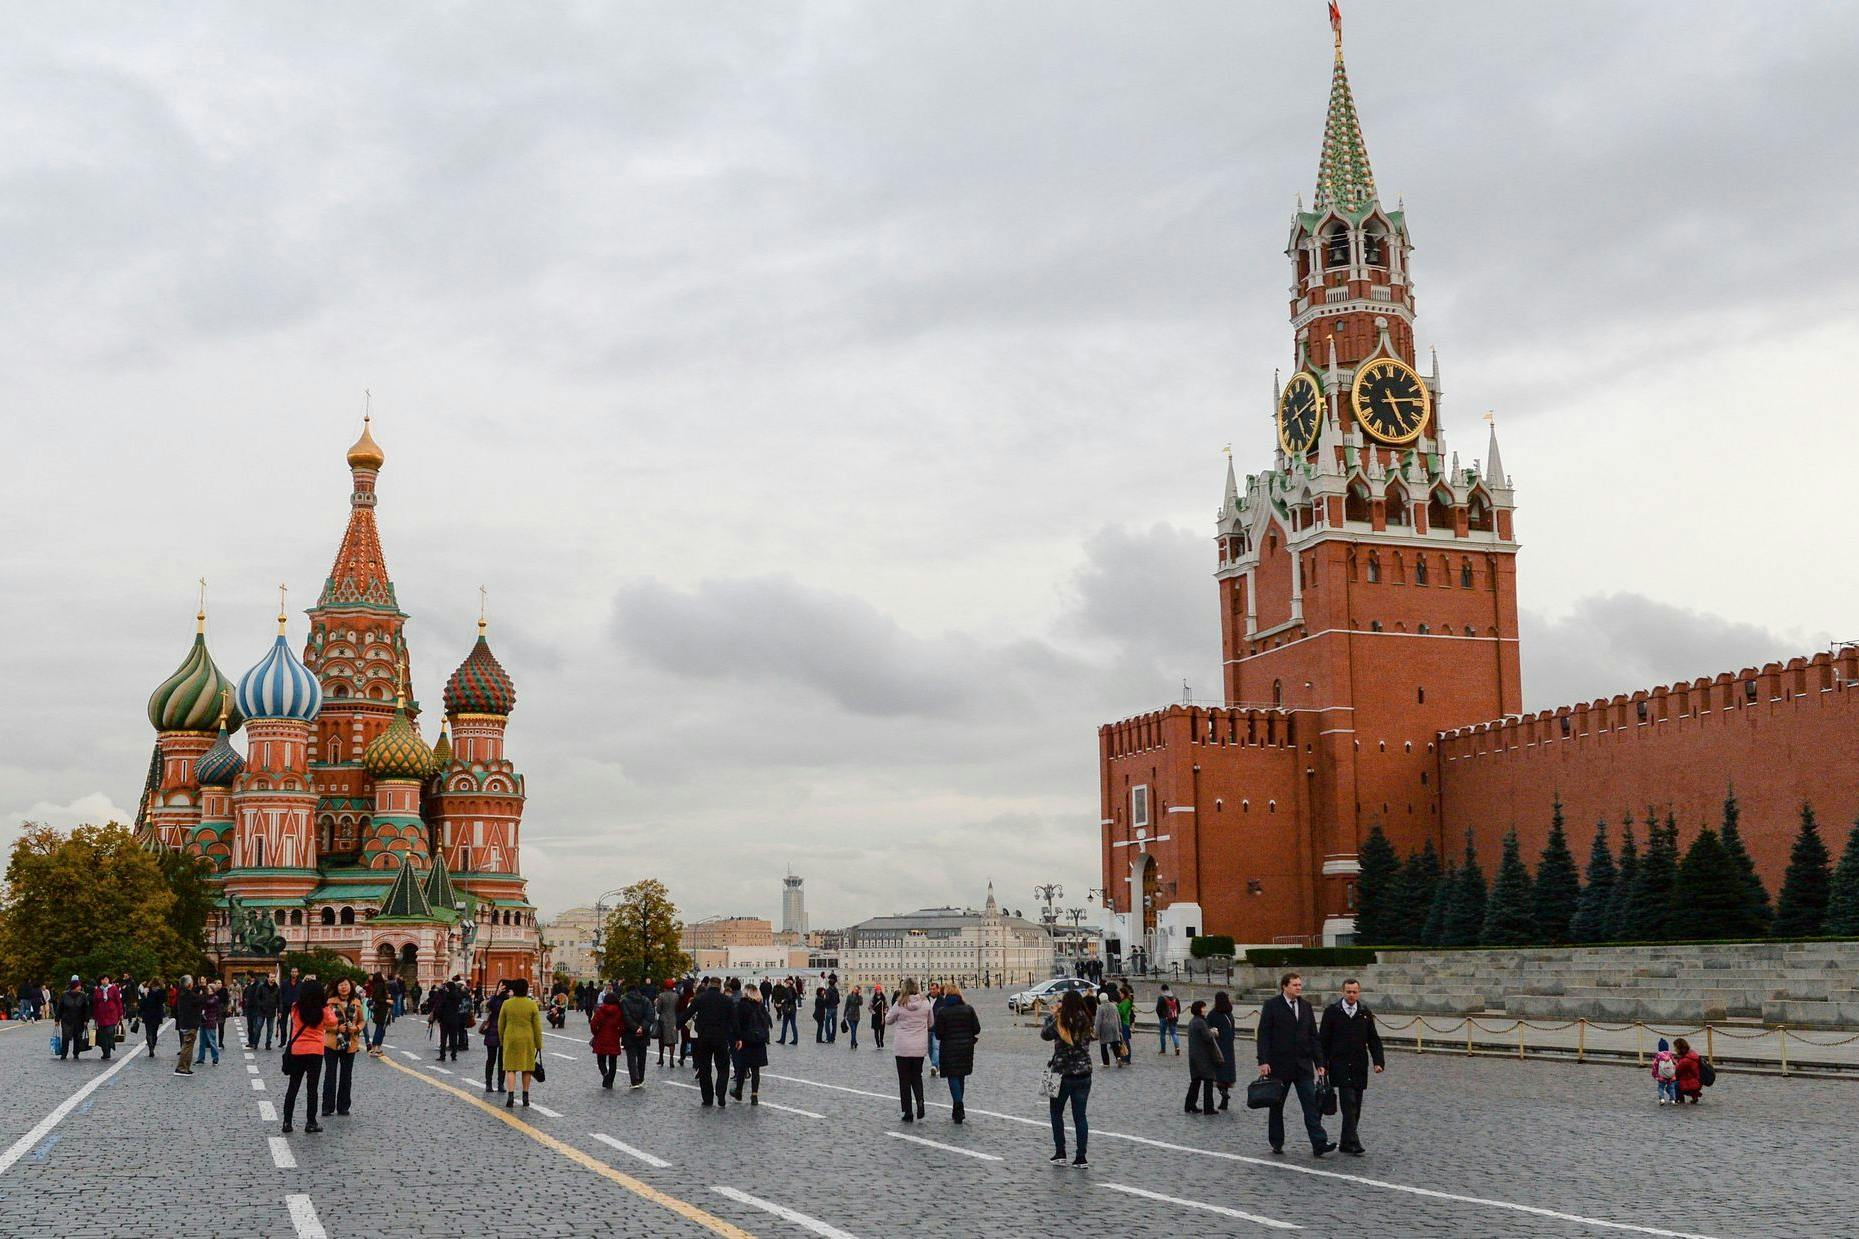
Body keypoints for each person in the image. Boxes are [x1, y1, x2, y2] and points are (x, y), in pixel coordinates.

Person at [1256, 971, 1333, 1157]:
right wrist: (1263, 1061)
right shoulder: (1272, 1005)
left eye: (1300, 984)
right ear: (1285, 986)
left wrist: (1319, 1062)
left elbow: (1313, 1036)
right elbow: (1264, 1034)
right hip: (1279, 1065)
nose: (1299, 987)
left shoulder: (1305, 1006)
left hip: (1303, 1065)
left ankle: (1319, 1142)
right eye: (1295, 985)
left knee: (1311, 1105)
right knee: (1277, 1106)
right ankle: (1276, 1141)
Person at [1317, 979, 1384, 1156]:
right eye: (1348, 992)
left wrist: (1378, 1062)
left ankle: (1346, 1141)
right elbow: (1323, 1040)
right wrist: (1322, 1064)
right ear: (1342, 992)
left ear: (1359, 993)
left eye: (1354, 992)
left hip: (1359, 1065)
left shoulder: (1364, 1013)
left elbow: (1373, 1039)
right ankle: (1354, 1142)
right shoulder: (1332, 1012)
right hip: (1339, 1065)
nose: (1351, 995)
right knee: (1349, 1104)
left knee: (1357, 1106)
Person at [1041, 989, 1094, 1168]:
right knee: (1080, 1116)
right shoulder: (1086, 1019)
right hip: (1084, 1072)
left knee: (1056, 1113)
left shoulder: (1060, 1020)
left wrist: (1052, 1015)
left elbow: (1045, 1034)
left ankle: (1060, 1152)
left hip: (1060, 1072)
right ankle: (1081, 1157)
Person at [281, 980, 333, 1134]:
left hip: (298, 1051)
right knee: (312, 1089)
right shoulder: (322, 1010)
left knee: (293, 1087)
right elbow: (333, 1021)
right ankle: (311, 1122)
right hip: (315, 1052)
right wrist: (326, 1006)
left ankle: (287, 1122)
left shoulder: (296, 1008)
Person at [683, 977, 737, 1107]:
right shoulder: (727, 1000)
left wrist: (678, 1024)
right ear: (720, 987)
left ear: (709, 986)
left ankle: (707, 1098)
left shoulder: (700, 998)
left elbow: (688, 1013)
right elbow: (734, 1021)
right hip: (721, 1038)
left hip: (704, 1038)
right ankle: (720, 1093)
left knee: (705, 1068)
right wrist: (738, 1037)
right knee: (723, 1067)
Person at [932, 982, 980, 1123]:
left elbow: (939, 1034)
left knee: (953, 1077)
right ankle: (957, 1107)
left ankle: (958, 1106)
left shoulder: (942, 1011)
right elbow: (977, 1029)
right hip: (966, 1048)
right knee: (961, 1077)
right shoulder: (968, 1009)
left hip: (949, 1049)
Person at [885, 978, 932, 1123]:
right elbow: (931, 1023)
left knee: (904, 1080)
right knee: (917, 1077)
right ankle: (920, 1101)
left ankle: (908, 1111)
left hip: (903, 1048)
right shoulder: (925, 1003)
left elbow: (888, 1020)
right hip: (919, 1048)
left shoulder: (900, 1004)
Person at [321, 977, 365, 1118]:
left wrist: (357, 1028)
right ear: (336, 987)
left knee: (346, 1076)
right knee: (330, 1075)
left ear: (351, 987)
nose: (343, 987)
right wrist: (336, 1028)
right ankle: (327, 1107)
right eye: (341, 985)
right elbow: (322, 1023)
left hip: (350, 1043)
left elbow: (362, 1020)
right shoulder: (329, 1003)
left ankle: (343, 1106)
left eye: (346, 985)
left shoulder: (357, 1003)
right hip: (331, 1043)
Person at [497, 977, 543, 1109]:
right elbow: (537, 1027)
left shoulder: (507, 1004)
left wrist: (502, 1039)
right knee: (527, 1068)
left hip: (510, 1038)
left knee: (510, 1068)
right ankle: (525, 1096)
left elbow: (501, 1024)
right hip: (527, 1039)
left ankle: (511, 1095)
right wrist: (538, 1044)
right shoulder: (531, 1004)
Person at [731, 985, 772, 1104]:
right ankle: (754, 1095)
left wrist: (737, 1038)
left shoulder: (742, 1005)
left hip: (746, 1040)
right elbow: (767, 1022)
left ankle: (738, 1092)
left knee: (742, 1067)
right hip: (759, 1041)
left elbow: (737, 1023)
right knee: (755, 1069)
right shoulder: (760, 1006)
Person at [1184, 1000, 1224, 1113]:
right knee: (1208, 1081)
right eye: (1204, 1007)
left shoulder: (1193, 1021)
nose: (1205, 1009)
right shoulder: (1201, 1022)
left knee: (1195, 1081)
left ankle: (1190, 1104)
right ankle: (1208, 1107)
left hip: (1194, 1056)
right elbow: (1207, 1037)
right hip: (1203, 1057)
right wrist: (1214, 1032)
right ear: (1200, 1009)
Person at [620, 983, 656, 1089]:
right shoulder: (645, 1000)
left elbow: (626, 1017)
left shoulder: (624, 1001)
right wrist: (642, 1027)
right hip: (643, 1033)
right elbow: (650, 1015)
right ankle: (641, 1078)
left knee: (631, 1057)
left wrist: (635, 1027)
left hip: (629, 1033)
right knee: (642, 1056)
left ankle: (634, 1080)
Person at [1209, 991, 1239, 1108]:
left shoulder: (1213, 1014)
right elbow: (1233, 1032)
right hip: (1229, 1047)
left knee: (1218, 1073)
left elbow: (1209, 1030)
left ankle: (1223, 1092)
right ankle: (1224, 1100)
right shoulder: (1229, 1014)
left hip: (1217, 1046)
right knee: (1226, 1074)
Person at [589, 989, 623, 1089]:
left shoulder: (600, 1011)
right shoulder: (619, 1011)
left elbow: (593, 1024)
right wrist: (618, 1034)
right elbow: (622, 1026)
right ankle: (610, 1080)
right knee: (613, 1061)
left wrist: (596, 1033)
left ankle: (605, 1075)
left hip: (601, 1038)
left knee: (601, 1060)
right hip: (614, 1038)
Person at [481, 979, 509, 1093]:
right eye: (500, 985)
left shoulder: (508, 999)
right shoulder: (494, 998)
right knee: (491, 1059)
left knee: (502, 1060)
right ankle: (488, 1083)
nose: (501, 987)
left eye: (504, 986)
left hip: (504, 1031)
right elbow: (489, 1006)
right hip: (492, 1030)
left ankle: (500, 1084)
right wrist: (496, 995)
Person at [55, 976, 91, 1061]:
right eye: (78, 986)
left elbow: (86, 1008)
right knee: (66, 1037)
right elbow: (60, 1007)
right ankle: (64, 1054)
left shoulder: (83, 995)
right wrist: (57, 1019)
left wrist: (86, 1019)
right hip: (67, 1019)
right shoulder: (64, 995)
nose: (80, 987)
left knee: (78, 1037)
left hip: (79, 1019)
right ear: (74, 987)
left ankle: (76, 1053)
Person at [92, 975, 123, 1061]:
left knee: (109, 1032)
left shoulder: (114, 989)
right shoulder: (98, 990)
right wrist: (95, 1016)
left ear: (108, 980)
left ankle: (110, 1046)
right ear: (101, 981)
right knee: (102, 1035)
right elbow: (95, 1004)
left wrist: (120, 1014)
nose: (105, 981)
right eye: (103, 980)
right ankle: (105, 1052)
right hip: (101, 1016)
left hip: (112, 1015)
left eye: (106, 979)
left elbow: (118, 1002)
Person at [1094, 988, 1124, 1068]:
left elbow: (1098, 1021)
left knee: (1103, 1046)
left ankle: (1106, 1063)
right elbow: (1118, 1018)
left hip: (1105, 1028)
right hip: (1114, 1027)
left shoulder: (1100, 1008)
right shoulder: (1114, 1006)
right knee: (1115, 1044)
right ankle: (1118, 1057)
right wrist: (1120, 1028)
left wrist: (1096, 1032)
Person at [195, 980, 223, 1066]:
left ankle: (215, 1058)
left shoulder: (215, 998)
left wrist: (202, 996)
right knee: (202, 1042)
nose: (207, 990)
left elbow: (208, 1003)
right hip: (203, 1021)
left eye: (209, 989)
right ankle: (200, 1058)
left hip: (210, 1021)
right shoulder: (205, 997)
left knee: (212, 1041)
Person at [138, 980, 166, 1058]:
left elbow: (142, 1003)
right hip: (157, 1014)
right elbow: (163, 1001)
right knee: (155, 1032)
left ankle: (150, 1047)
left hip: (148, 1013)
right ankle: (152, 1046)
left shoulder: (147, 991)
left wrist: (139, 1013)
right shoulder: (161, 992)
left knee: (148, 1031)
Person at [1673, 1037, 1703, 1104]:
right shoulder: (1691, 1054)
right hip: (1696, 1080)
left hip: (1692, 1083)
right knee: (1685, 1078)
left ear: (1679, 1048)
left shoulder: (1685, 1060)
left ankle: (1680, 1100)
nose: (1674, 1049)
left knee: (1672, 1084)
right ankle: (1694, 1096)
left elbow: (1677, 1071)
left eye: (1675, 1047)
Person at [655, 980, 679, 1066]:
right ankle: (671, 1058)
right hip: (673, 1019)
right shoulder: (676, 996)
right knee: (672, 1040)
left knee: (661, 1040)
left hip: (663, 1019)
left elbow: (658, 1010)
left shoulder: (661, 996)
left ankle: (661, 1057)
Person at [1651, 1037, 1679, 1105]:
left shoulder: (1658, 1055)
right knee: (1671, 1088)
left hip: (1661, 1076)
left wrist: (1655, 1075)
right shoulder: (1670, 1054)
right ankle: (1673, 1100)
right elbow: (1675, 1063)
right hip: (1670, 1075)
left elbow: (1655, 1065)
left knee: (1661, 1087)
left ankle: (1662, 1099)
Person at [1155, 984, 1181, 1055]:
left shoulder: (1161, 997)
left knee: (1162, 1034)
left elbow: (1158, 1009)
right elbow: (1179, 1009)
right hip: (1173, 1018)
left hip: (1164, 1018)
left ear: (1162, 990)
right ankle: (1177, 1047)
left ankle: (1163, 1050)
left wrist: (1160, 1017)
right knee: (1174, 1033)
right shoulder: (1175, 997)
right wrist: (1176, 1016)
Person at [278, 968, 301, 1045]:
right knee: (282, 1024)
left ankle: (291, 1040)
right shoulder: (284, 983)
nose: (294, 973)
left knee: (294, 1024)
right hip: (285, 1005)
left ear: (298, 973)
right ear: (290, 973)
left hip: (295, 1006)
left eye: (295, 972)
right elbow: (280, 995)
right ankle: (283, 1041)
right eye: (292, 972)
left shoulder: (301, 984)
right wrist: (280, 1008)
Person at [842, 984, 863, 1049]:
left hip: (856, 1015)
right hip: (850, 1015)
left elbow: (861, 1003)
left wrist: (859, 996)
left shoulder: (859, 997)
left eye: (857, 990)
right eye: (855, 989)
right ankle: (855, 1042)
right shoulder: (849, 996)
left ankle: (852, 1043)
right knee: (853, 1029)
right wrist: (844, 1014)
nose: (855, 990)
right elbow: (846, 1005)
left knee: (854, 1030)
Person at [869, 984, 888, 1050]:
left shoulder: (883, 998)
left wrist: (885, 1012)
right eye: (877, 990)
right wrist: (873, 1013)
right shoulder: (873, 998)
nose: (878, 991)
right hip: (875, 1017)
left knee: (882, 1030)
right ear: (875, 991)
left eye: (879, 990)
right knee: (876, 1031)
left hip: (882, 1016)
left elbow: (886, 1006)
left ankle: (881, 1040)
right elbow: (870, 1007)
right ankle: (877, 1043)